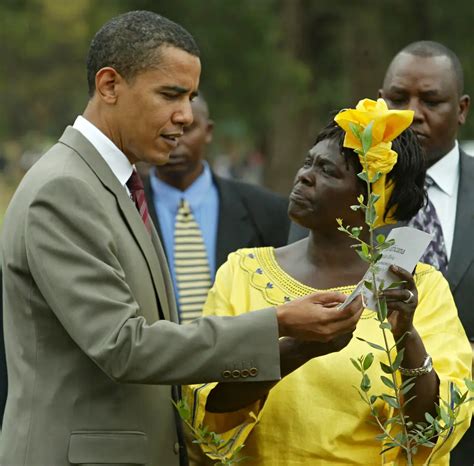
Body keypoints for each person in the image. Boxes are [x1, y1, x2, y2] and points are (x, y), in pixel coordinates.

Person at [0, 11, 364, 466]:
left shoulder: (115, 182)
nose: (186, 116)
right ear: (109, 86)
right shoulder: (64, 189)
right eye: (170, 94)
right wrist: (279, 322)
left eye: (191, 97)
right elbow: (124, 345)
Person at [187, 118, 471, 465]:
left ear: (374, 199)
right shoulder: (242, 273)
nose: (304, 176)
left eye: (328, 171)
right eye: (308, 162)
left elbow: (432, 429)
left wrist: (405, 336)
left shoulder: (420, 289)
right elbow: (204, 409)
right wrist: (298, 350)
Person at [379, 40, 473, 464]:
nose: (413, 113)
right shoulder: (341, 192)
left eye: (430, 100)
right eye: (398, 99)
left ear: (462, 109)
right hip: (375, 431)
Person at [144, 95, 290, 322]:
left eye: (186, 128)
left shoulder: (267, 210)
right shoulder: (122, 207)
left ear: (208, 131)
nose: (174, 139)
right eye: (161, 129)